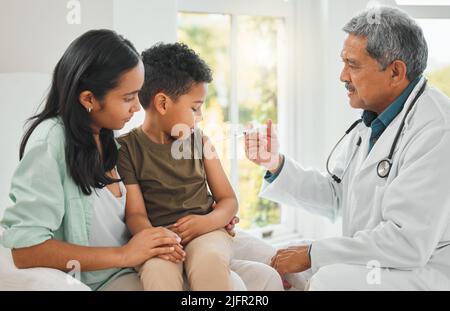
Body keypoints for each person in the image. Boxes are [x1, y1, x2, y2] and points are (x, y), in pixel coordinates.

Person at [245, 6, 450, 290]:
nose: (343, 76)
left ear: (395, 71)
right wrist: (275, 164)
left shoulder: (437, 129)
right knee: (277, 266)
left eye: (353, 65)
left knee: (329, 280)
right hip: (375, 259)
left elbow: (407, 243)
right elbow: (336, 194)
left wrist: (314, 254)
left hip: (424, 270)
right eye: (344, 63)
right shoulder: (374, 120)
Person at [0, 29, 182, 290]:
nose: (136, 108)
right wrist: (125, 255)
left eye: (138, 95)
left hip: (138, 267)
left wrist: (205, 214)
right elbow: (26, 249)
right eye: (128, 98)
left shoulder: (112, 139)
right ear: (88, 99)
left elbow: (135, 212)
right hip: (107, 279)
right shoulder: (50, 142)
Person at [117, 42, 283, 291]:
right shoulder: (127, 149)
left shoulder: (201, 142)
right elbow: (136, 214)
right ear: (162, 103)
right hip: (158, 239)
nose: (200, 116)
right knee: (157, 272)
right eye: (195, 108)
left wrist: (206, 222)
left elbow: (228, 200)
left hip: (207, 233)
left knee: (209, 261)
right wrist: (158, 239)